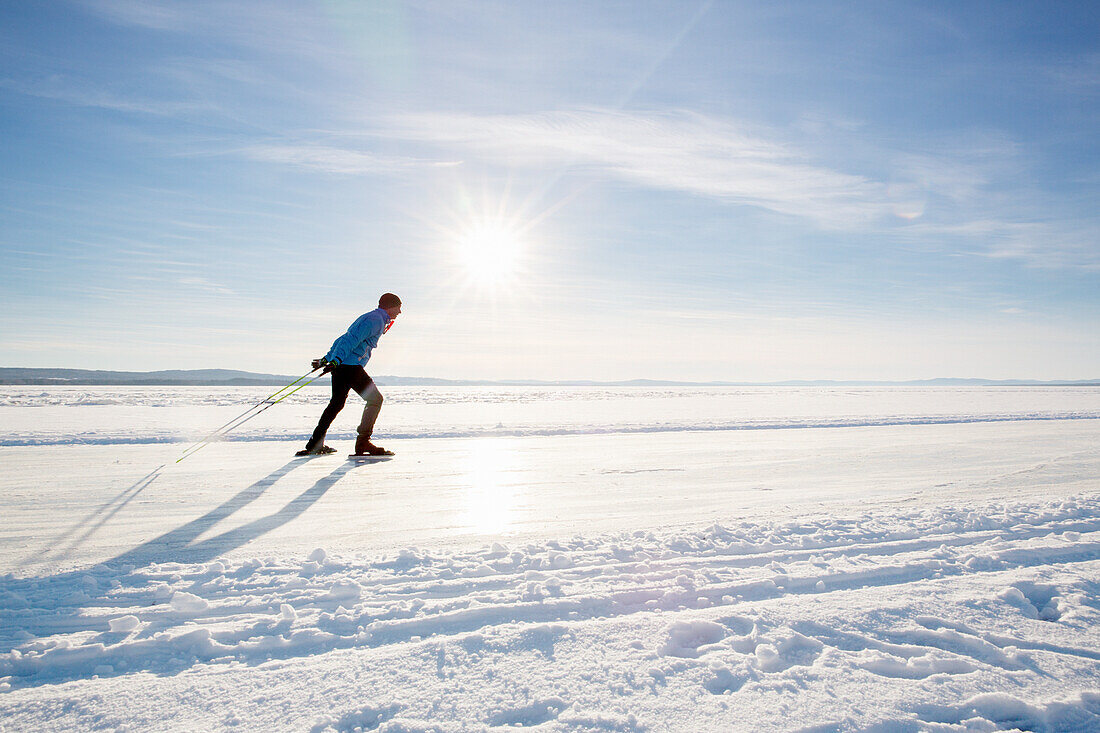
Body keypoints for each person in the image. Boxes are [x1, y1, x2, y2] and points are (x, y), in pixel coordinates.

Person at [297, 293, 402, 457]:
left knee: (336, 404)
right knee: (375, 400)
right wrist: (335, 359)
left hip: (343, 366)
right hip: (350, 367)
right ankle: (363, 442)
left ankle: (315, 443)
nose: (400, 312)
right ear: (391, 307)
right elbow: (350, 339)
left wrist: (328, 359)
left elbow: (343, 338)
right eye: (399, 308)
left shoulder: (373, 318)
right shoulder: (375, 320)